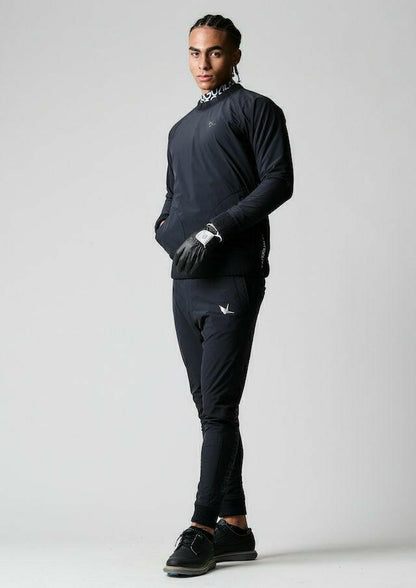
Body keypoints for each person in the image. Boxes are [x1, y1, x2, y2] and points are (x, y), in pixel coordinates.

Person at [154, 14, 294, 577]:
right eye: (194, 52)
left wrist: (215, 232)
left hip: (233, 276)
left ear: (235, 54)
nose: (203, 63)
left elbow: (278, 181)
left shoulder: (256, 109)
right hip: (186, 284)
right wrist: (169, 238)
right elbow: (171, 201)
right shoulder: (179, 129)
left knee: (218, 408)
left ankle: (201, 528)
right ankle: (235, 526)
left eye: (214, 52)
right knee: (207, 408)